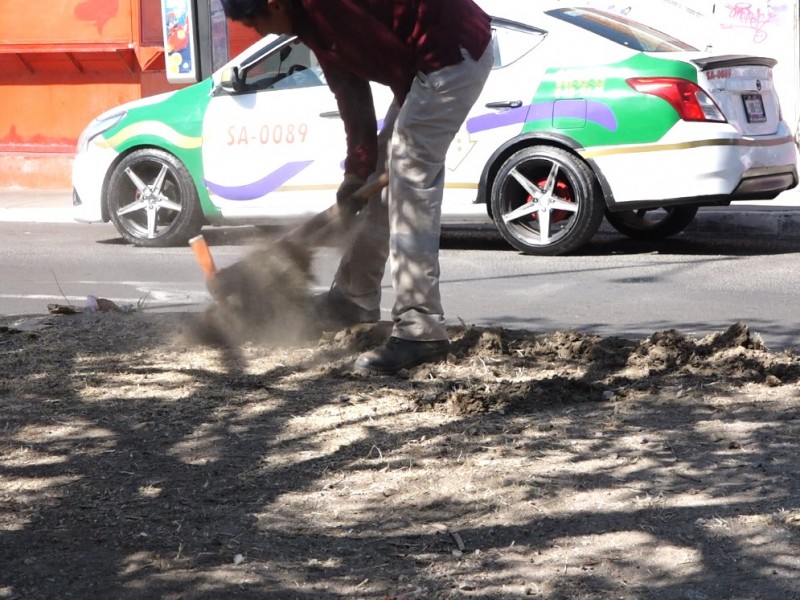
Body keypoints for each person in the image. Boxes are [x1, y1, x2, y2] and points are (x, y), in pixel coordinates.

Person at [220, 0, 493, 375]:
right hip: (421, 66)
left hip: (449, 52)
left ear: (274, 2)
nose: (260, 32)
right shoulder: (308, 22)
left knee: (408, 173)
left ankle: (421, 329)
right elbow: (349, 87)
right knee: (387, 168)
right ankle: (353, 300)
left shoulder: (328, 7)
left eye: (255, 20)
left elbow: (391, 57)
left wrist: (397, 152)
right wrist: (357, 171)